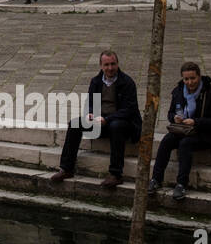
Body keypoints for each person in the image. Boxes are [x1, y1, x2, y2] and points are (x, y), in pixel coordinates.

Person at [50, 49, 142, 187]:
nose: (110, 68)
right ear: (101, 66)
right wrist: (91, 114)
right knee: (75, 124)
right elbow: (92, 102)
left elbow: (129, 110)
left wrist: (108, 119)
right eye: (106, 65)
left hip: (123, 123)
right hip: (101, 121)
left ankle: (115, 174)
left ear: (117, 64)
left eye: (113, 64)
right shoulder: (96, 81)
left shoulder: (127, 82)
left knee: (116, 126)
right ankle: (66, 168)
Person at [151, 61, 211, 200]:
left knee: (186, 144)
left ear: (199, 77)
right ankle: (156, 179)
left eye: (193, 78)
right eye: (186, 79)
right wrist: (175, 118)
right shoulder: (178, 91)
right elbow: (170, 113)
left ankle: (181, 184)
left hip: (205, 133)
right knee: (167, 140)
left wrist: (196, 121)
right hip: (183, 130)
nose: (190, 82)